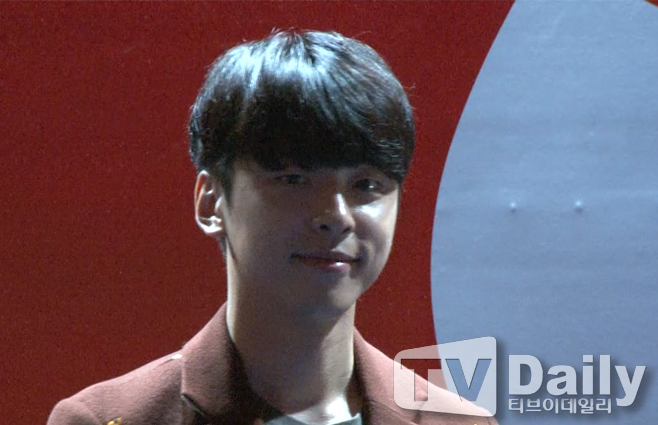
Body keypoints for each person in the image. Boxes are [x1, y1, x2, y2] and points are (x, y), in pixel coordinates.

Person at [47, 30, 496, 425]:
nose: (336, 215)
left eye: (366, 185)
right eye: (293, 179)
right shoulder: (108, 419)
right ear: (211, 202)